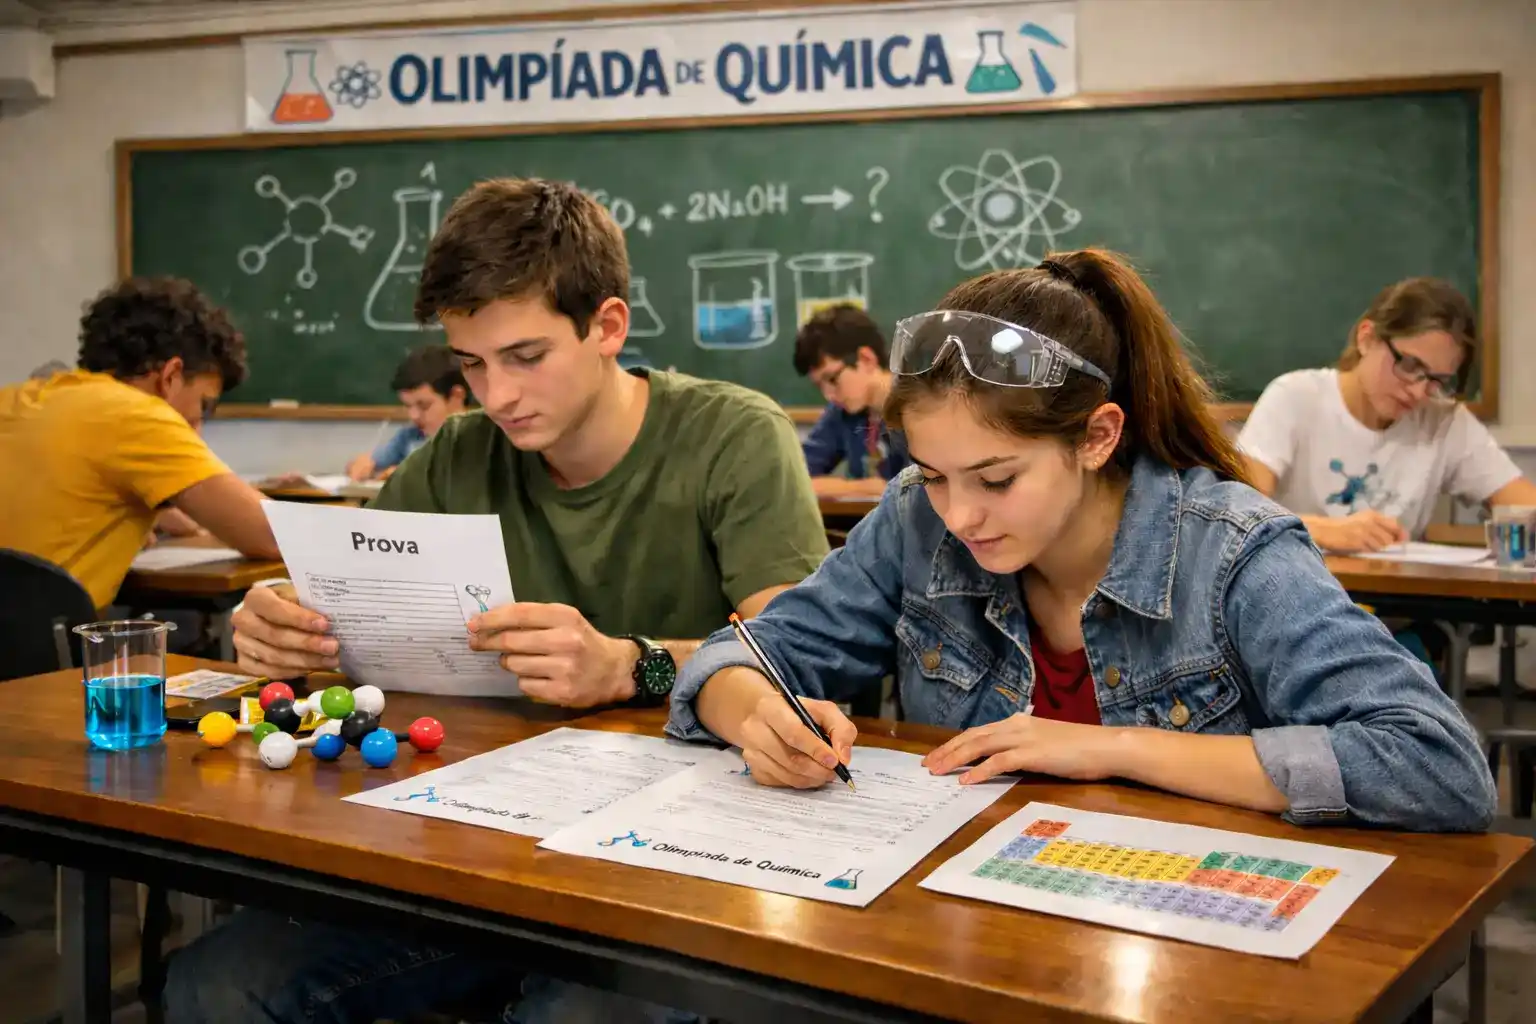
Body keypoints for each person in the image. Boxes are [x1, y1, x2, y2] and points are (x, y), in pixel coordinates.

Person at [164, 178, 829, 1024]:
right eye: (472, 365)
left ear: (608, 328)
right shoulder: (456, 456)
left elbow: (793, 657)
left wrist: (632, 664)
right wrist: (286, 627)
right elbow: (345, 603)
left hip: (674, 860)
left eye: (525, 357)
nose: (497, 396)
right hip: (475, 850)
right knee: (218, 988)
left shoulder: (735, 436)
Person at [666, 249, 1495, 836]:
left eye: (996, 480)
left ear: (1097, 437)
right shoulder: (917, 516)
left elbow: (1438, 767)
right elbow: (732, 659)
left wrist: (1115, 749)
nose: (958, 516)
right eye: (935, 473)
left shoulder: (1234, 553)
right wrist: (760, 718)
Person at [0, 277, 278, 609]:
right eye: (202, 406)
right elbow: (273, 537)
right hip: (46, 657)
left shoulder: (21, 398)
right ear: (171, 376)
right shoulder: (138, 414)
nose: (197, 431)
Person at [1238, 276, 1536, 553]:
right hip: (1294, 593)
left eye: (1437, 380)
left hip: (1394, 601)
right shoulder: (1296, 397)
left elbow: (1523, 503)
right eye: (1409, 365)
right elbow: (1238, 509)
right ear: (1366, 338)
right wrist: (1320, 529)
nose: (1419, 392)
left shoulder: (1444, 420)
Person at [794, 304, 910, 497]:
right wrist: (863, 488)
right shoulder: (841, 412)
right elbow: (795, 475)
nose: (829, 395)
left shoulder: (920, 407)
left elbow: (919, 491)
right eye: (819, 386)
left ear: (866, 359)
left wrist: (881, 489)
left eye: (832, 379)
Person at [344, 342, 472, 481]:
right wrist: (361, 466)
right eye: (408, 406)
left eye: (424, 406)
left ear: (456, 397)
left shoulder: (482, 438)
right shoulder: (410, 436)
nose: (414, 416)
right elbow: (372, 462)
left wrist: (407, 475)